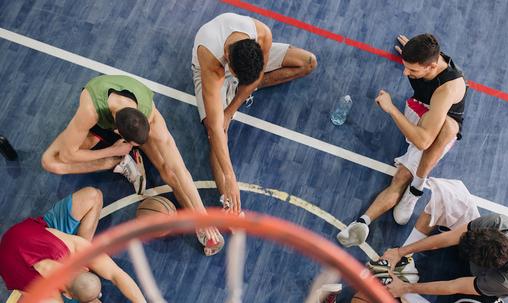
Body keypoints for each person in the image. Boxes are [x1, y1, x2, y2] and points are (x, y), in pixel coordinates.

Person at [41, 75, 224, 255]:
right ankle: (119, 161)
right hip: (101, 126)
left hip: (130, 124)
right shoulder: (90, 109)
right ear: (117, 132)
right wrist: (111, 152)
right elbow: (67, 154)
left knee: (169, 170)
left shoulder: (147, 109)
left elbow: (178, 168)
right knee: (51, 163)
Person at [338, 33, 467, 245]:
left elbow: (424, 142)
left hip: (440, 121)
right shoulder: (425, 58)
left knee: (445, 132)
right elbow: (424, 56)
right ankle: (362, 223)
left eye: (412, 70)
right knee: (405, 172)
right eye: (405, 66)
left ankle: (412, 192)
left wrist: (390, 109)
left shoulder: (448, 89)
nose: (405, 72)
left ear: (432, 66)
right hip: (419, 109)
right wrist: (411, 53)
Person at [192, 12, 317, 214]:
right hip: (211, 73)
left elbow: (255, 77)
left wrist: (231, 109)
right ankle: (229, 203)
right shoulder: (211, 61)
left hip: (241, 69)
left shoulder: (262, 34)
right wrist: (231, 177)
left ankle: (236, 91)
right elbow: (216, 128)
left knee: (308, 62)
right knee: (215, 132)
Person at [350, 181, 508, 302]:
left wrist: (405, 288)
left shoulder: (504, 281)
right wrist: (400, 252)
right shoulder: (497, 223)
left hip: (487, 289)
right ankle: (405, 264)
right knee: (452, 194)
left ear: (485, 267)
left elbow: (454, 286)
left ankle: (406, 289)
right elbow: (447, 238)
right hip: (486, 255)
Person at [0, 187, 146, 302]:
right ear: (68, 296)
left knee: (93, 195)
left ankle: (83, 290)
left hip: (28, 240)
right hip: (15, 252)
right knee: (90, 298)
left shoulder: (71, 246)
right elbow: (117, 274)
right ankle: (83, 292)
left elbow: (116, 275)